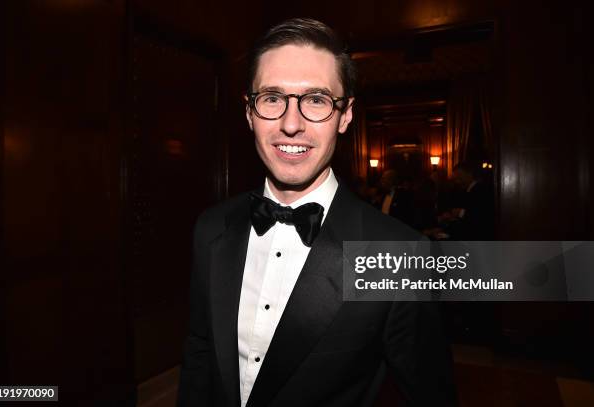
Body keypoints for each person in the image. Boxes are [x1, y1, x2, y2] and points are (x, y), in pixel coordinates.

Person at [176, 18, 457, 407]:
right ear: (249, 112)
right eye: (272, 98)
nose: (291, 124)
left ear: (345, 116)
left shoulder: (398, 255)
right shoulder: (211, 228)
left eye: (316, 100)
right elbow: (200, 354)